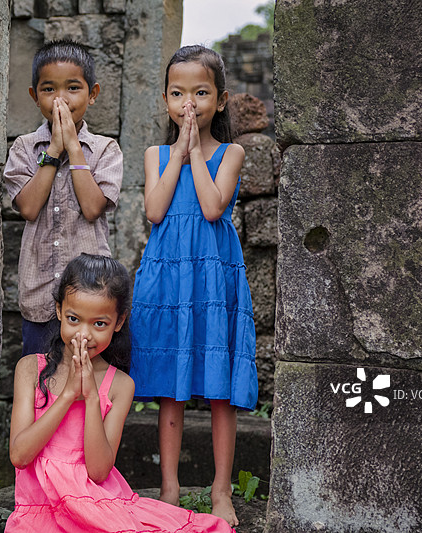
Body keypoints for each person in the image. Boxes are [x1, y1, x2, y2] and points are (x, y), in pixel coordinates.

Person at [6, 253, 234, 533]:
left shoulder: (120, 386)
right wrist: (67, 395)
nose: (84, 334)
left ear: (118, 321)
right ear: (58, 310)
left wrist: (90, 397)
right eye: (74, 319)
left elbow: (99, 472)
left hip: (97, 505)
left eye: (99, 323)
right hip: (38, 511)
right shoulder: (30, 369)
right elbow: (19, 456)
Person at [130, 45, 258, 528]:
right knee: (171, 391)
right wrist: (179, 152)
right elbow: (155, 210)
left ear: (220, 101)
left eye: (201, 93)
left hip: (213, 279)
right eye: (179, 93)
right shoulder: (155, 155)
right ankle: (169, 487)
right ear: (165, 99)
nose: (190, 103)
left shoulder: (232, 153)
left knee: (220, 388)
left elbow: (211, 207)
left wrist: (195, 155)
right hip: (169, 280)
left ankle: (221, 489)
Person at [3, 40, 123, 356]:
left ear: (92, 94)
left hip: (92, 296)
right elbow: (28, 208)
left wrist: (73, 147)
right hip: (40, 295)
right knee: (41, 378)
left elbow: (93, 206)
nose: (61, 99)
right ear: (34, 96)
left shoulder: (105, 150)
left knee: (89, 381)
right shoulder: (24, 148)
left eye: (72, 88)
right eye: (48, 89)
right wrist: (54, 151)